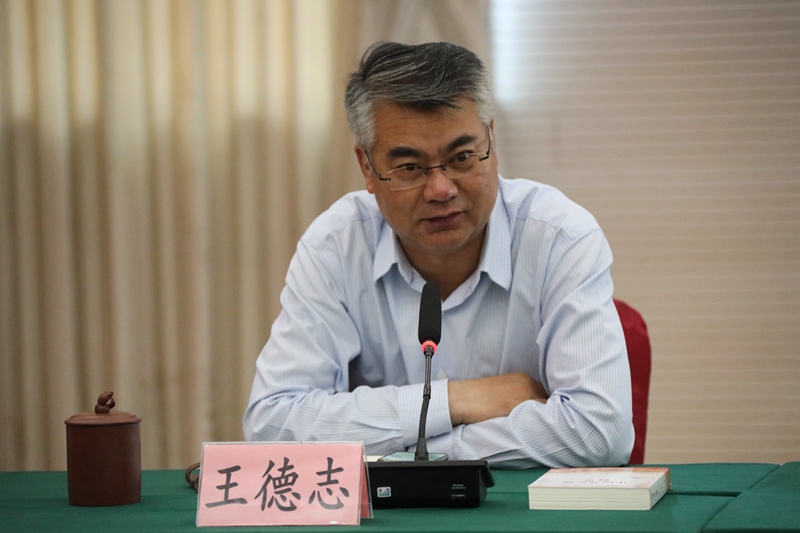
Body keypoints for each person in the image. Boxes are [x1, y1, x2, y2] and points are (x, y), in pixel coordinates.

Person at [243, 41, 634, 468]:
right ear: (367, 167)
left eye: (462, 157)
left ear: (492, 141)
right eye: (410, 167)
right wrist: (455, 400)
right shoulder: (336, 246)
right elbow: (272, 424)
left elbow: (600, 432)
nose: (441, 189)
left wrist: (421, 454)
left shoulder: (559, 237)